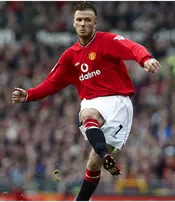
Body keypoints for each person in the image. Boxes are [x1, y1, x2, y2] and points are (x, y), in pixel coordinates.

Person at [11, 2, 161, 200]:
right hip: (92, 102)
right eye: (79, 20)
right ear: (73, 23)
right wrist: (29, 95)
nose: (83, 24)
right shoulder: (70, 56)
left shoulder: (107, 40)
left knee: (91, 147)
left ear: (95, 23)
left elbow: (132, 47)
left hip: (119, 103)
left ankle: (102, 156)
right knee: (89, 131)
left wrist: (146, 59)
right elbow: (51, 83)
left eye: (87, 20)